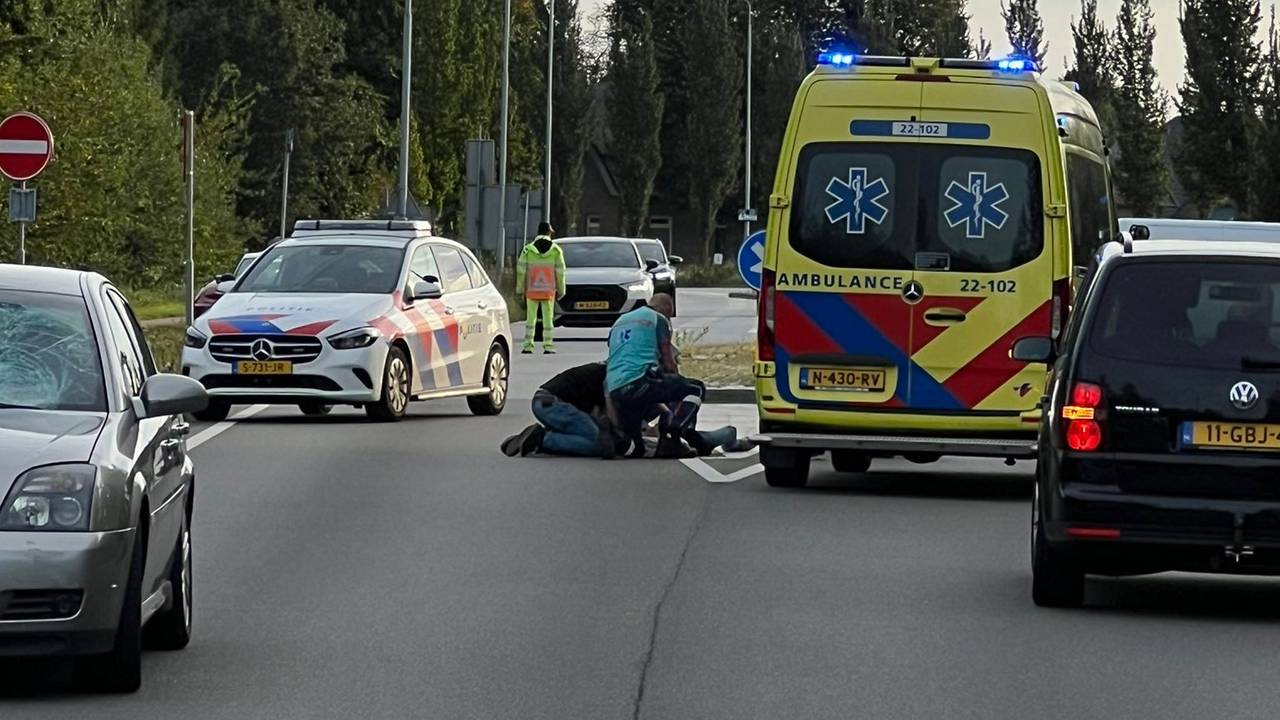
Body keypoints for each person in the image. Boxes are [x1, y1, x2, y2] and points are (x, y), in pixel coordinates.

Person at [605, 294, 705, 459]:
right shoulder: (658, 319)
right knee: (695, 388)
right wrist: (677, 381)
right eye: (669, 315)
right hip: (640, 379)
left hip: (615, 386)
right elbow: (668, 362)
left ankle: (634, 445)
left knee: (643, 403)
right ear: (665, 308)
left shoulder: (620, 321)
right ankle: (673, 436)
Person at [501, 362, 614, 458]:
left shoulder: (600, 370)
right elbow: (602, 416)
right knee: (597, 443)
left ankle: (532, 437)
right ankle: (540, 440)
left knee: (588, 432)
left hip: (542, 400)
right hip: (555, 405)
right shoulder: (610, 378)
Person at [516, 222, 566, 354]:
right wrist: (561, 290)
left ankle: (528, 346)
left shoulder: (527, 249)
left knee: (530, 319)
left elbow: (521, 271)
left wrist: (520, 289)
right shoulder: (556, 250)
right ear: (549, 233)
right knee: (548, 319)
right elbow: (561, 272)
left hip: (532, 290)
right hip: (548, 290)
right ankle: (548, 346)